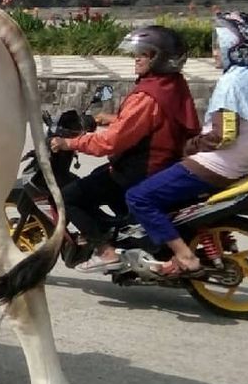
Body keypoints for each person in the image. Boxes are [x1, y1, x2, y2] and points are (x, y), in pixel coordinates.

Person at [126, 12, 248, 276]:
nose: (215, 51)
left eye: (219, 43)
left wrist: (190, 147)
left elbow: (223, 135)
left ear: (237, 47)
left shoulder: (232, 82)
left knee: (138, 197)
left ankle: (183, 255)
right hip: (237, 166)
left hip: (210, 167)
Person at [49, 26, 200, 272]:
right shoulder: (171, 84)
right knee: (99, 181)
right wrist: (112, 118)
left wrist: (69, 143)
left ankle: (105, 251)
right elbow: (153, 123)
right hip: (164, 165)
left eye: (145, 54)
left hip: (138, 171)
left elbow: (110, 143)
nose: (137, 58)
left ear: (160, 59)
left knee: (69, 197)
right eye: (138, 53)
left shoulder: (146, 97)